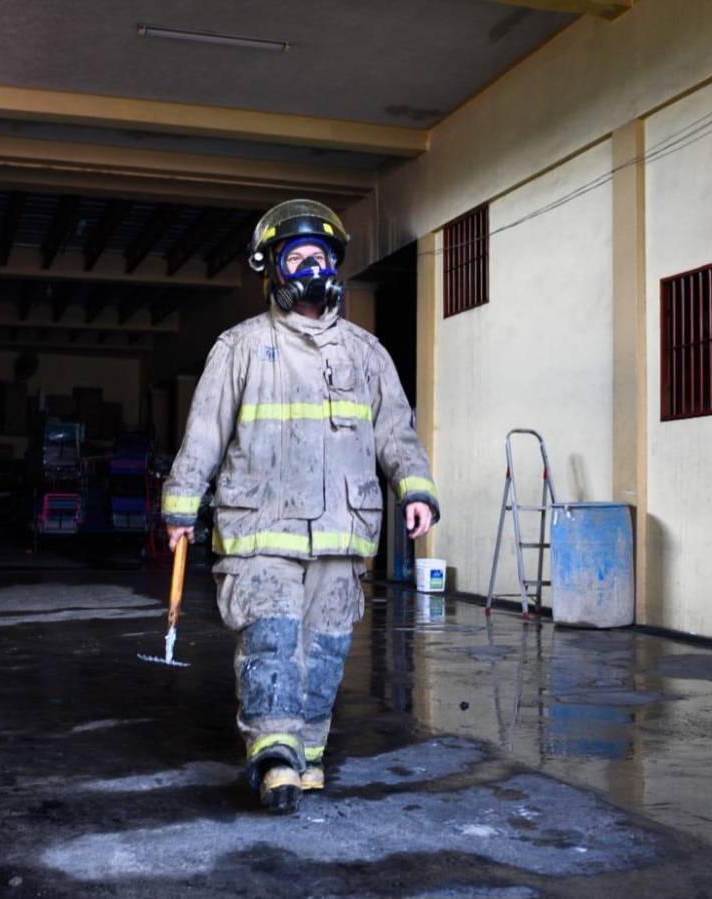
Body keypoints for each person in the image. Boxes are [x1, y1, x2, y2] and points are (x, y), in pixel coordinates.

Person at [161, 199, 438, 813]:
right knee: (272, 640)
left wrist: (415, 489)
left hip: (342, 534)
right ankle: (275, 753)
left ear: (334, 266)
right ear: (275, 273)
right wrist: (182, 508)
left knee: (325, 651)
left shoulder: (367, 354)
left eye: (320, 256)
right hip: (261, 530)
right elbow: (204, 432)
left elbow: (396, 431)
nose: (310, 266)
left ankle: (308, 755)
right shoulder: (241, 347)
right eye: (296, 257)